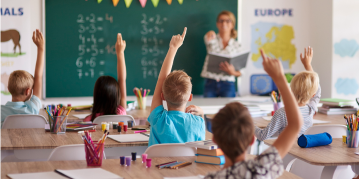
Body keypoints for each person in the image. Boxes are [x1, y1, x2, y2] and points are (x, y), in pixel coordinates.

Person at [204, 49, 303, 178]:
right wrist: (280, 78)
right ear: (252, 139)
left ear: (214, 140)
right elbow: (295, 125)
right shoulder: (263, 167)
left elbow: (295, 125)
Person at [148, 27, 205, 146]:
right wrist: (202, 114)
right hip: (188, 165)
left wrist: (172, 48)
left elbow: (161, 79)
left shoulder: (159, 120)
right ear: (190, 97)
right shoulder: (198, 123)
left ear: (162, 96)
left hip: (156, 165)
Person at [255, 47, 321, 141]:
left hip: (286, 153)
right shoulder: (311, 109)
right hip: (303, 153)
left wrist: (250, 125)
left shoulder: (282, 113)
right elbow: (317, 91)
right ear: (313, 95)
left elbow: (263, 136)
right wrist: (308, 65)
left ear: (292, 89)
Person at [0, 29, 44, 128]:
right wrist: (41, 47)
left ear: (8, 88)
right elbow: (38, 77)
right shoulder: (32, 109)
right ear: (28, 91)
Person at [84, 33, 127, 122]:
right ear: (116, 96)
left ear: (96, 96)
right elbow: (122, 80)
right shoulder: (120, 113)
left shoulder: (89, 120)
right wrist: (120, 53)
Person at [201, 11, 242, 97]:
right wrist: (210, 33)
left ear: (232, 24)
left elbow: (240, 72)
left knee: (229, 109)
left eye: (228, 21)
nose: (224, 23)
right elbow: (207, 38)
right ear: (217, 24)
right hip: (210, 82)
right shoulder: (212, 39)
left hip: (228, 84)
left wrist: (232, 72)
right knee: (208, 109)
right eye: (221, 20)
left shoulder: (237, 45)